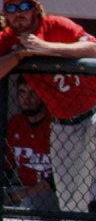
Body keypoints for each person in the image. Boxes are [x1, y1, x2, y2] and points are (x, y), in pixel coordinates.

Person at [0, 0, 96, 221]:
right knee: (71, 212)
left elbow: (95, 49)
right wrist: (18, 55)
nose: (19, 13)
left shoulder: (57, 25)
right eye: (11, 7)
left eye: (25, 6)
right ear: (5, 13)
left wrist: (45, 48)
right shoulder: (9, 40)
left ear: (36, 9)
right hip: (63, 124)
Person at [3, 77, 58, 212]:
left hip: (52, 193)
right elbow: (6, 168)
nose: (27, 99)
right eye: (22, 92)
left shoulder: (56, 124)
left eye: (33, 93)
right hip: (21, 189)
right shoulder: (15, 124)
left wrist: (17, 196)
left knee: (28, 204)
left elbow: (58, 180)